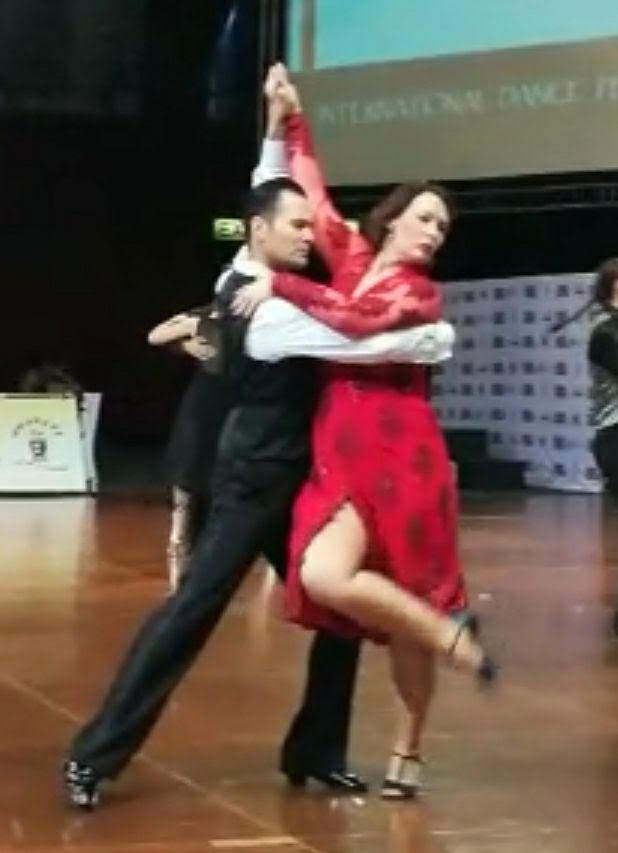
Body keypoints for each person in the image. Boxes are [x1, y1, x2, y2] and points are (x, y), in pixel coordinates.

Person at [62, 84, 459, 809]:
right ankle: (94, 756)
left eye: (310, 226)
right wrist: (431, 338)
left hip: (302, 477)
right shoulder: (259, 303)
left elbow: (270, 191)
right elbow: (355, 342)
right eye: (296, 228)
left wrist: (278, 129)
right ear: (258, 233)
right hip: (253, 478)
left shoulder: (273, 269)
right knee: (192, 612)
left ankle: (316, 749)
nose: (310, 236)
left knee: (341, 612)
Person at [233, 65, 497, 799]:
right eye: (426, 218)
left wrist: (281, 284)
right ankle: (448, 633)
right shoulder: (350, 257)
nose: (434, 233)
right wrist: (292, 116)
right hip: (341, 454)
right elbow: (313, 194)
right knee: (325, 575)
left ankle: (408, 748)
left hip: (403, 457)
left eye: (443, 227)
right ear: (394, 216)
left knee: (407, 595)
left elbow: (352, 322)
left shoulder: (418, 294)